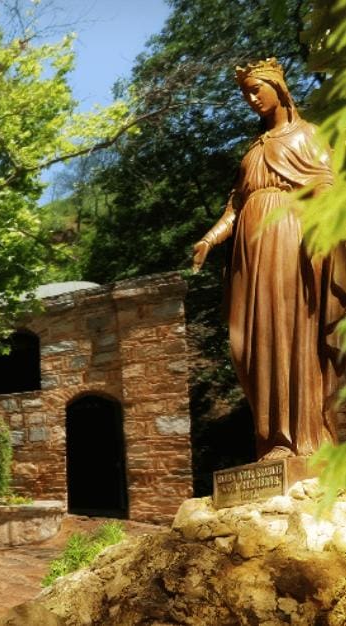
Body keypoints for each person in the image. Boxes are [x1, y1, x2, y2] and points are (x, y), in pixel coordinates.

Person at [192, 57, 340, 460]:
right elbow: (236, 207)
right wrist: (209, 239)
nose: (252, 98)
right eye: (245, 93)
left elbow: (329, 187)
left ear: (279, 88)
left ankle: (300, 438)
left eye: (258, 88)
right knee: (252, 342)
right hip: (250, 254)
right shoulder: (253, 151)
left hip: (289, 241)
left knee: (289, 332)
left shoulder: (307, 135)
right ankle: (271, 437)